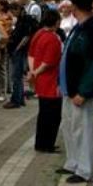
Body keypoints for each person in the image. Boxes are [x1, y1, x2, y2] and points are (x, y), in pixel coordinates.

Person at [57, 0, 93, 184]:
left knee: (83, 129)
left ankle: (85, 169)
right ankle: (72, 162)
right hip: (69, 89)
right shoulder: (79, 28)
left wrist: (85, 91)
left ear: (75, 7)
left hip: (80, 91)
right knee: (70, 127)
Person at [27, 9, 63, 153]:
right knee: (53, 115)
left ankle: (40, 142)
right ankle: (47, 144)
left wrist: (32, 72)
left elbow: (31, 55)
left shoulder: (38, 34)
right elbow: (48, 62)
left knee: (43, 114)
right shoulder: (53, 38)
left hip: (40, 81)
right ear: (56, 22)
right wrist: (36, 71)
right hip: (51, 81)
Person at [4, 3, 38, 109]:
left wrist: (17, 48)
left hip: (18, 50)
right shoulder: (22, 19)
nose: (12, 14)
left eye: (13, 11)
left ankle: (16, 100)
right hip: (19, 49)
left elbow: (26, 36)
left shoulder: (25, 20)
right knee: (17, 76)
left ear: (17, 9)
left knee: (16, 76)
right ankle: (20, 99)